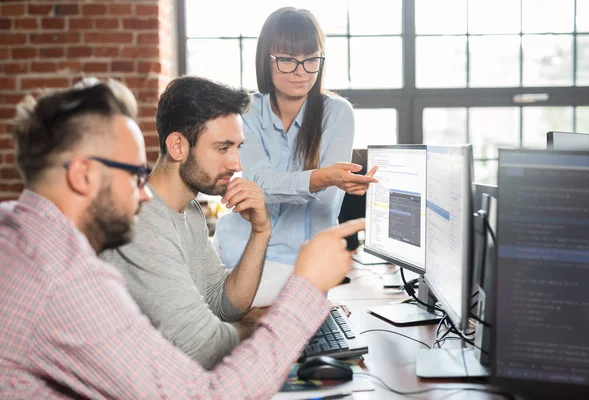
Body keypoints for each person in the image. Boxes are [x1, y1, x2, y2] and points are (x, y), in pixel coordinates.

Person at [0, 79, 365, 399]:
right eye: (132, 174)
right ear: (82, 175)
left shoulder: (19, 230)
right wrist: (300, 296)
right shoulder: (64, 277)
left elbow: (220, 304)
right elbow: (205, 383)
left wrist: (261, 231)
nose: (142, 194)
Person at [99, 76, 271, 369]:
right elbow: (201, 347)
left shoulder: (189, 211)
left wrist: (261, 231)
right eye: (222, 148)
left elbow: (224, 304)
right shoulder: (142, 221)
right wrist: (262, 327)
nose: (236, 164)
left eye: (237, 148)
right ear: (178, 146)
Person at [215, 7, 378, 306]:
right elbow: (260, 185)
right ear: (267, 59)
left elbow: (327, 202)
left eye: (311, 60)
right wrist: (320, 178)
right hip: (241, 253)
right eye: (288, 60)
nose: (301, 71)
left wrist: (317, 183)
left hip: (306, 263)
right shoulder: (246, 112)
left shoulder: (338, 113)